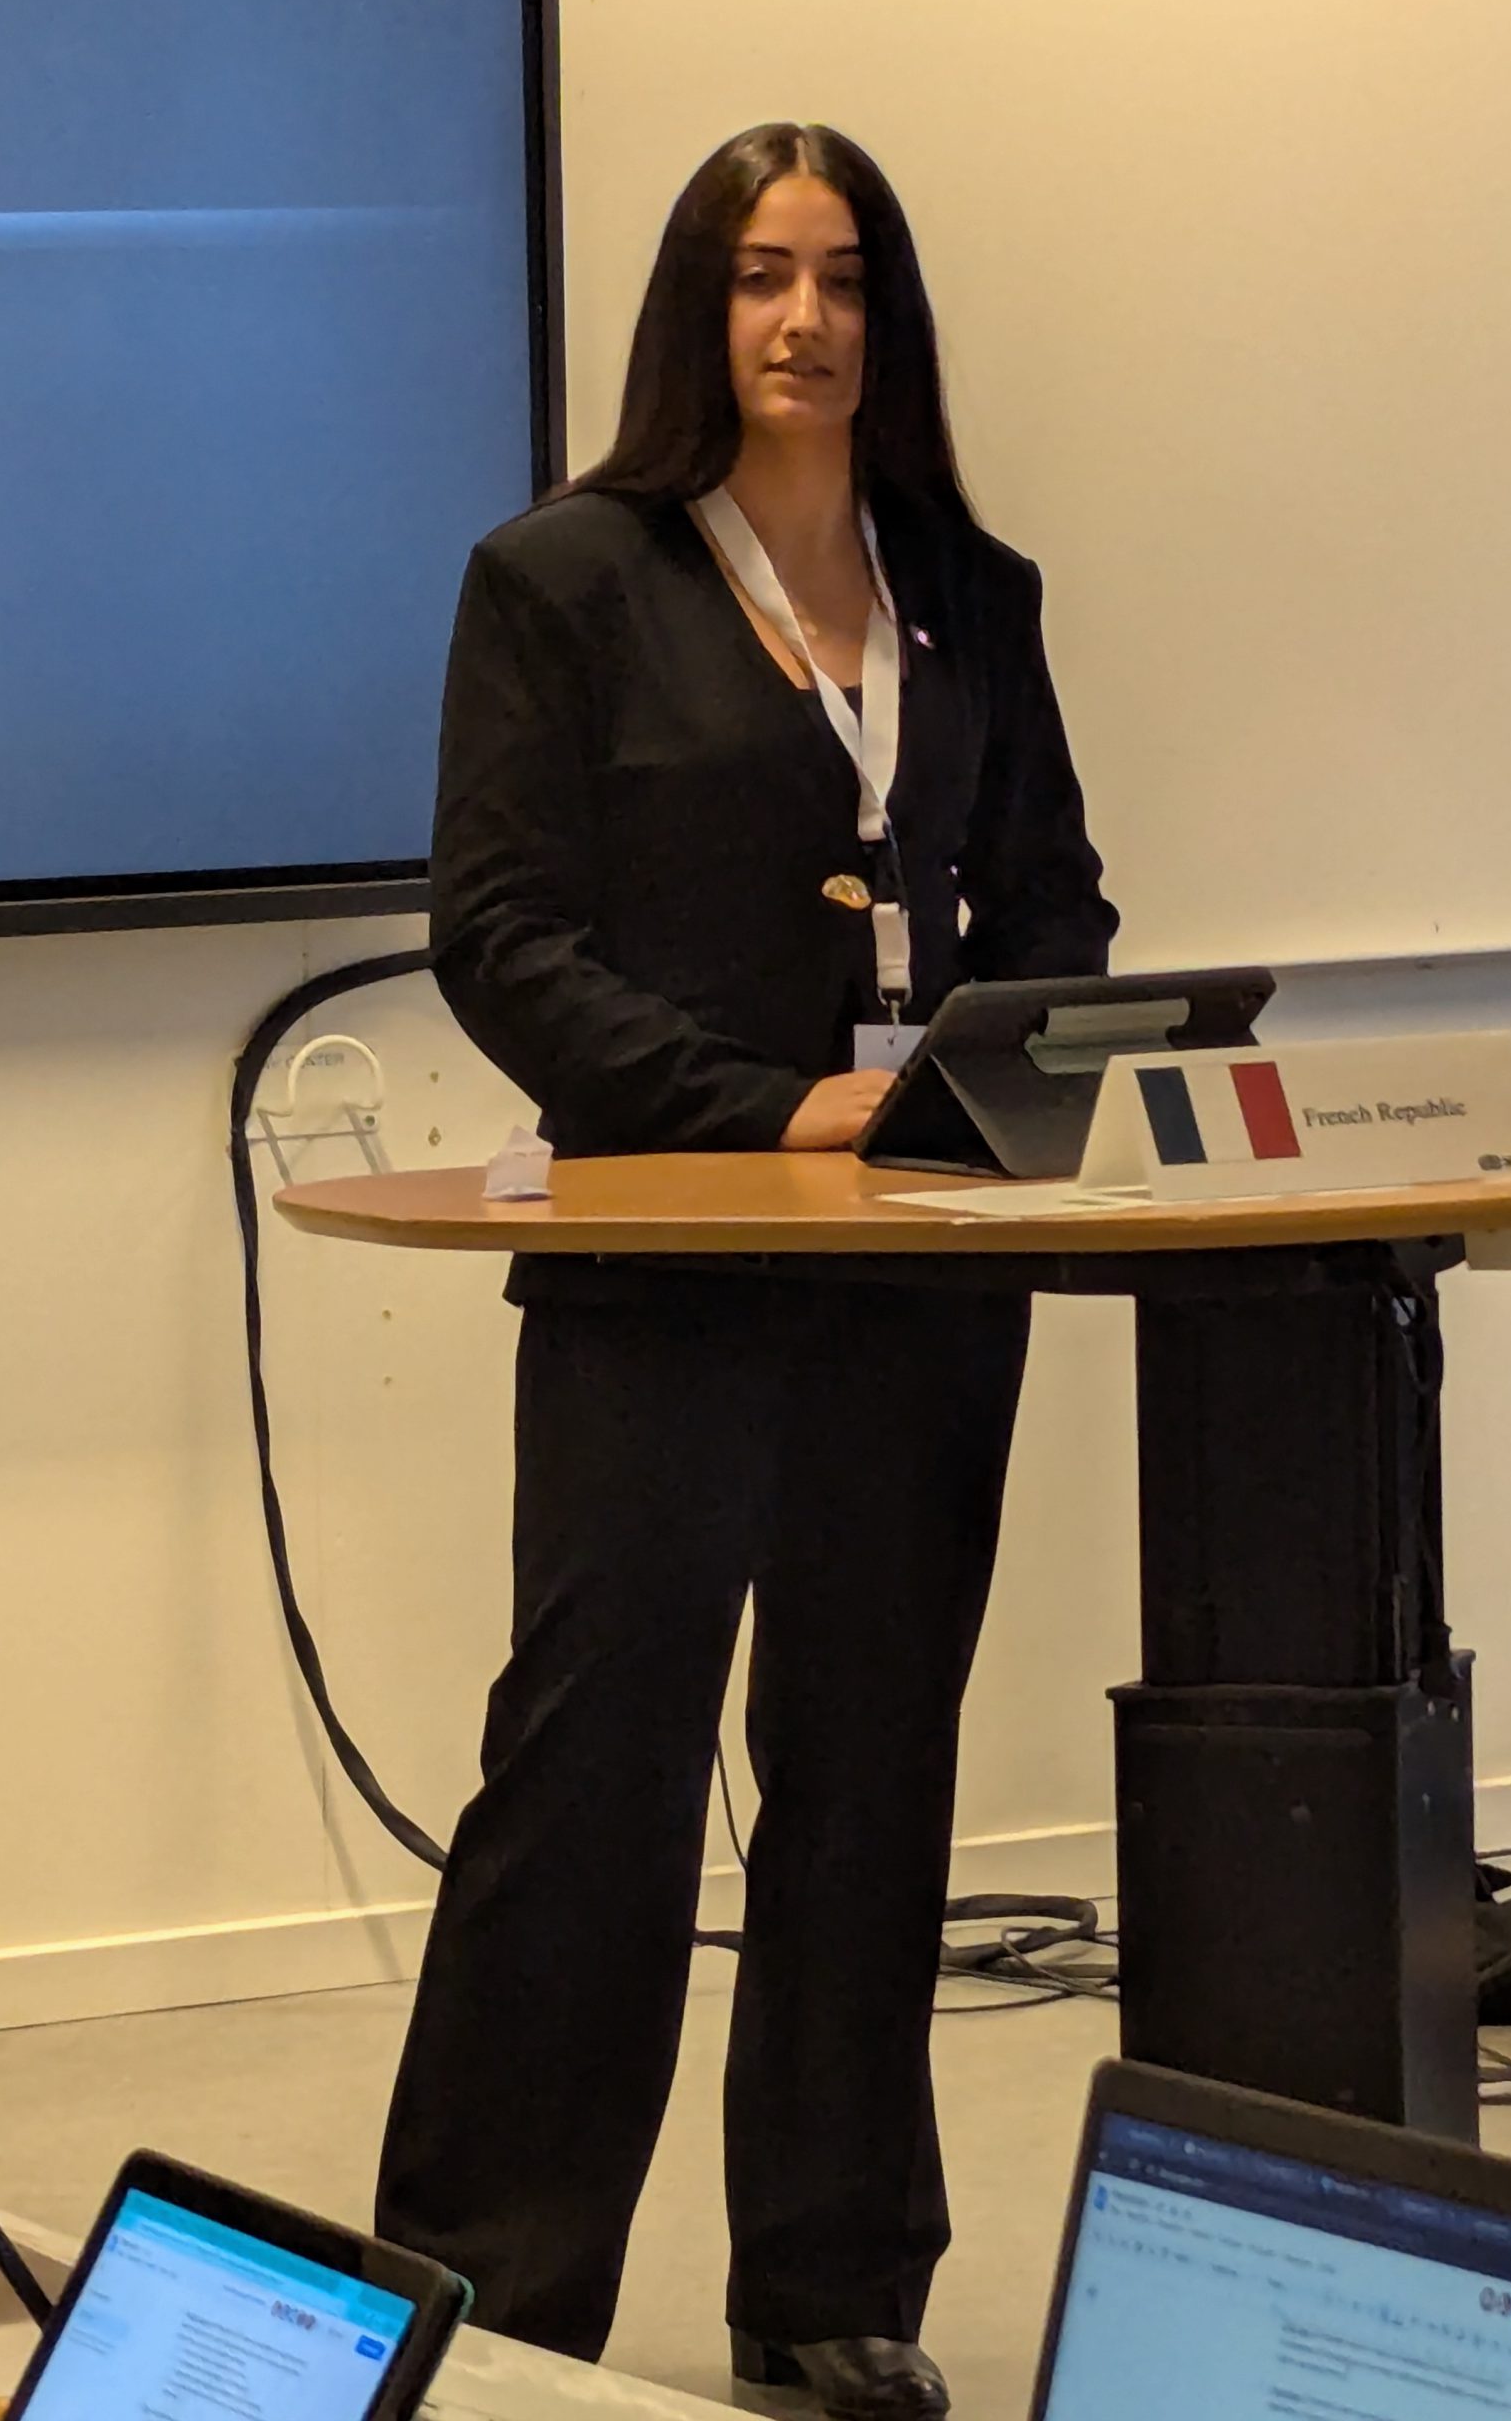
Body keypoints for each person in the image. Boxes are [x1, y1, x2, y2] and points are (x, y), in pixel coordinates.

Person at [373, 122, 1118, 2419]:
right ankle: (496, 2293)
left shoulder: (969, 586)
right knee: (590, 1775)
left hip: (921, 1274)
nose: (806, 318)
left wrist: (1003, 1073)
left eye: (846, 276)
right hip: (665, 1267)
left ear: (892, 318)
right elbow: (502, 936)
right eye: (760, 273)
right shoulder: (564, 579)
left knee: (869, 1771)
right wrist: (755, 1103)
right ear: (696, 308)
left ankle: (829, 2275)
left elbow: (1058, 900)